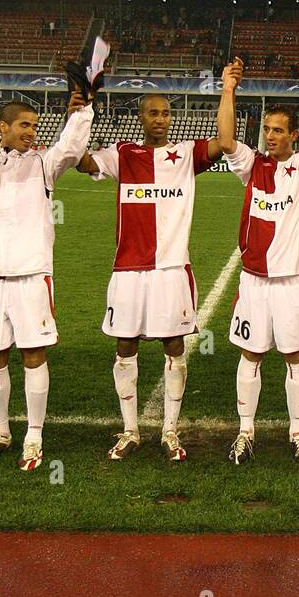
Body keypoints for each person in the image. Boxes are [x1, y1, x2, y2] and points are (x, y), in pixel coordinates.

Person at [76, 93, 223, 461]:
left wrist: (228, 89)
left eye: (166, 113)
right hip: (128, 271)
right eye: (153, 112)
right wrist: (78, 113)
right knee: (125, 347)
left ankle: (170, 431)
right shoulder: (122, 154)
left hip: (171, 270)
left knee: (174, 347)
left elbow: (223, 141)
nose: (161, 118)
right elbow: (80, 161)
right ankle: (130, 430)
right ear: (140, 117)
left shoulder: (186, 153)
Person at [0, 90, 94, 471]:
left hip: (32, 278)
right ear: (2, 127)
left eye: (35, 126)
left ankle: (34, 434)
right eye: (24, 125)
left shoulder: (43, 164)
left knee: (34, 356)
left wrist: (83, 110)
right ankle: (0, 431)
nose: (31, 132)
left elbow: (71, 146)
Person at [216, 57, 299, 466]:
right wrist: (228, 89)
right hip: (253, 282)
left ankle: (297, 433)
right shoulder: (254, 166)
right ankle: (245, 431)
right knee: (250, 355)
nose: (269, 137)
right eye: (266, 129)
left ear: (293, 136)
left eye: (278, 131)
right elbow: (227, 140)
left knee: (295, 356)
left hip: (292, 282)